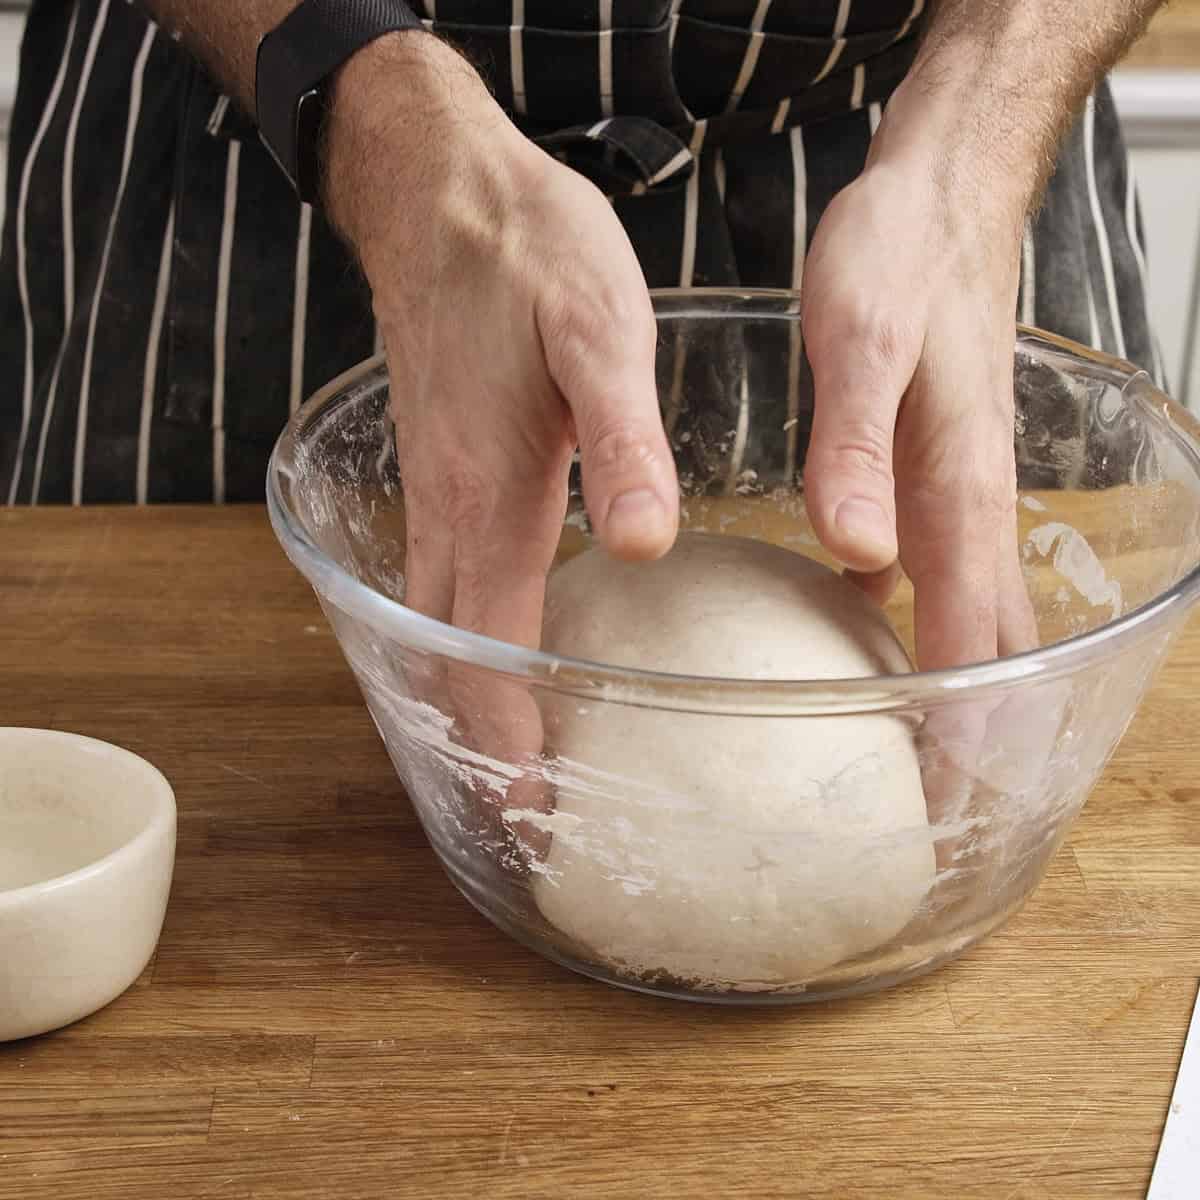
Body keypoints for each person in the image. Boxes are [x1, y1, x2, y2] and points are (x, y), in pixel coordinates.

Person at [0, 0, 1165, 673]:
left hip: (936, 145)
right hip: (263, 127)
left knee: (999, 676)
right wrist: (380, 131)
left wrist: (979, 138)